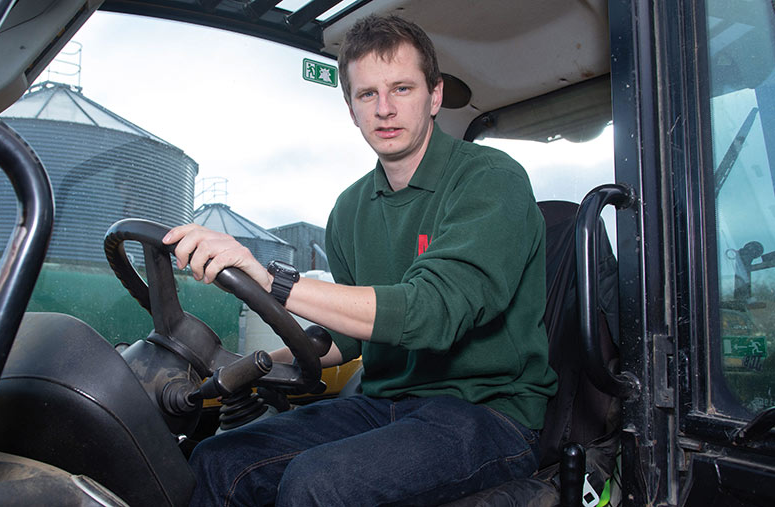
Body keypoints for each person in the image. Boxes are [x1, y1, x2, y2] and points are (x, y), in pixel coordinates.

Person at [164, 14, 557, 506]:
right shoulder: (350, 210)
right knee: (218, 458)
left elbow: (432, 313)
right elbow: (346, 337)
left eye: (402, 89)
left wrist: (271, 281)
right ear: (351, 109)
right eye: (367, 95)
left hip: (487, 414)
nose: (385, 109)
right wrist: (249, 366)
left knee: (317, 482)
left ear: (434, 97)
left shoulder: (490, 181)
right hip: (384, 404)